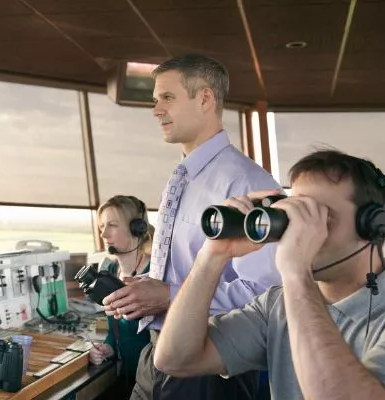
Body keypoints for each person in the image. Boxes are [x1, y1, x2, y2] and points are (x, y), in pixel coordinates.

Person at [154, 149, 385, 399]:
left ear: (372, 228)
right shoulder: (278, 305)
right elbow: (176, 359)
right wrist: (213, 256)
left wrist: (295, 272)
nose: (301, 229)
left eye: (320, 217)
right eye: (296, 212)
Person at [101, 53, 283, 400]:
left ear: (204, 99)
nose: (156, 110)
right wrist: (147, 290)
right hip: (155, 350)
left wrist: (168, 296)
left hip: (208, 365)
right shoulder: (183, 177)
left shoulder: (247, 183)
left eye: (167, 98)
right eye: (155, 101)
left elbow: (265, 293)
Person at [88, 195, 153, 396]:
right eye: (101, 226)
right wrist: (108, 348)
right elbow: (114, 332)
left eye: (112, 225)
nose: (104, 234)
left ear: (137, 228)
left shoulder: (157, 272)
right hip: (125, 379)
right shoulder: (111, 271)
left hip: (154, 382)